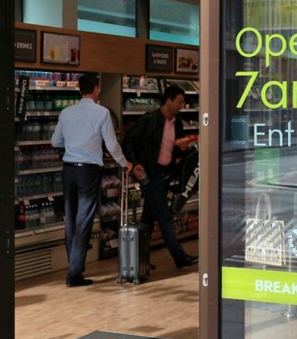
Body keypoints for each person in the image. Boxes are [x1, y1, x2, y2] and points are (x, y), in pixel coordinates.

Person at [51, 72, 131, 287]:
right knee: (84, 219)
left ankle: (73, 267)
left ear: (79, 90)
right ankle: (74, 273)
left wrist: (73, 144)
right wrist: (125, 163)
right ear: (96, 89)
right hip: (88, 171)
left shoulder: (66, 112)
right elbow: (111, 145)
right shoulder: (102, 113)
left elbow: (55, 141)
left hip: (69, 170)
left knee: (71, 219)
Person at [122, 85, 199, 270]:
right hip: (150, 174)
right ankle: (180, 257)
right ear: (169, 100)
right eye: (179, 101)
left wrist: (183, 147)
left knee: (148, 217)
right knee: (164, 217)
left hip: (165, 174)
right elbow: (127, 140)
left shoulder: (177, 124)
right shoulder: (150, 119)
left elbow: (176, 151)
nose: (182, 105)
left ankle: (139, 260)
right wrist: (134, 164)